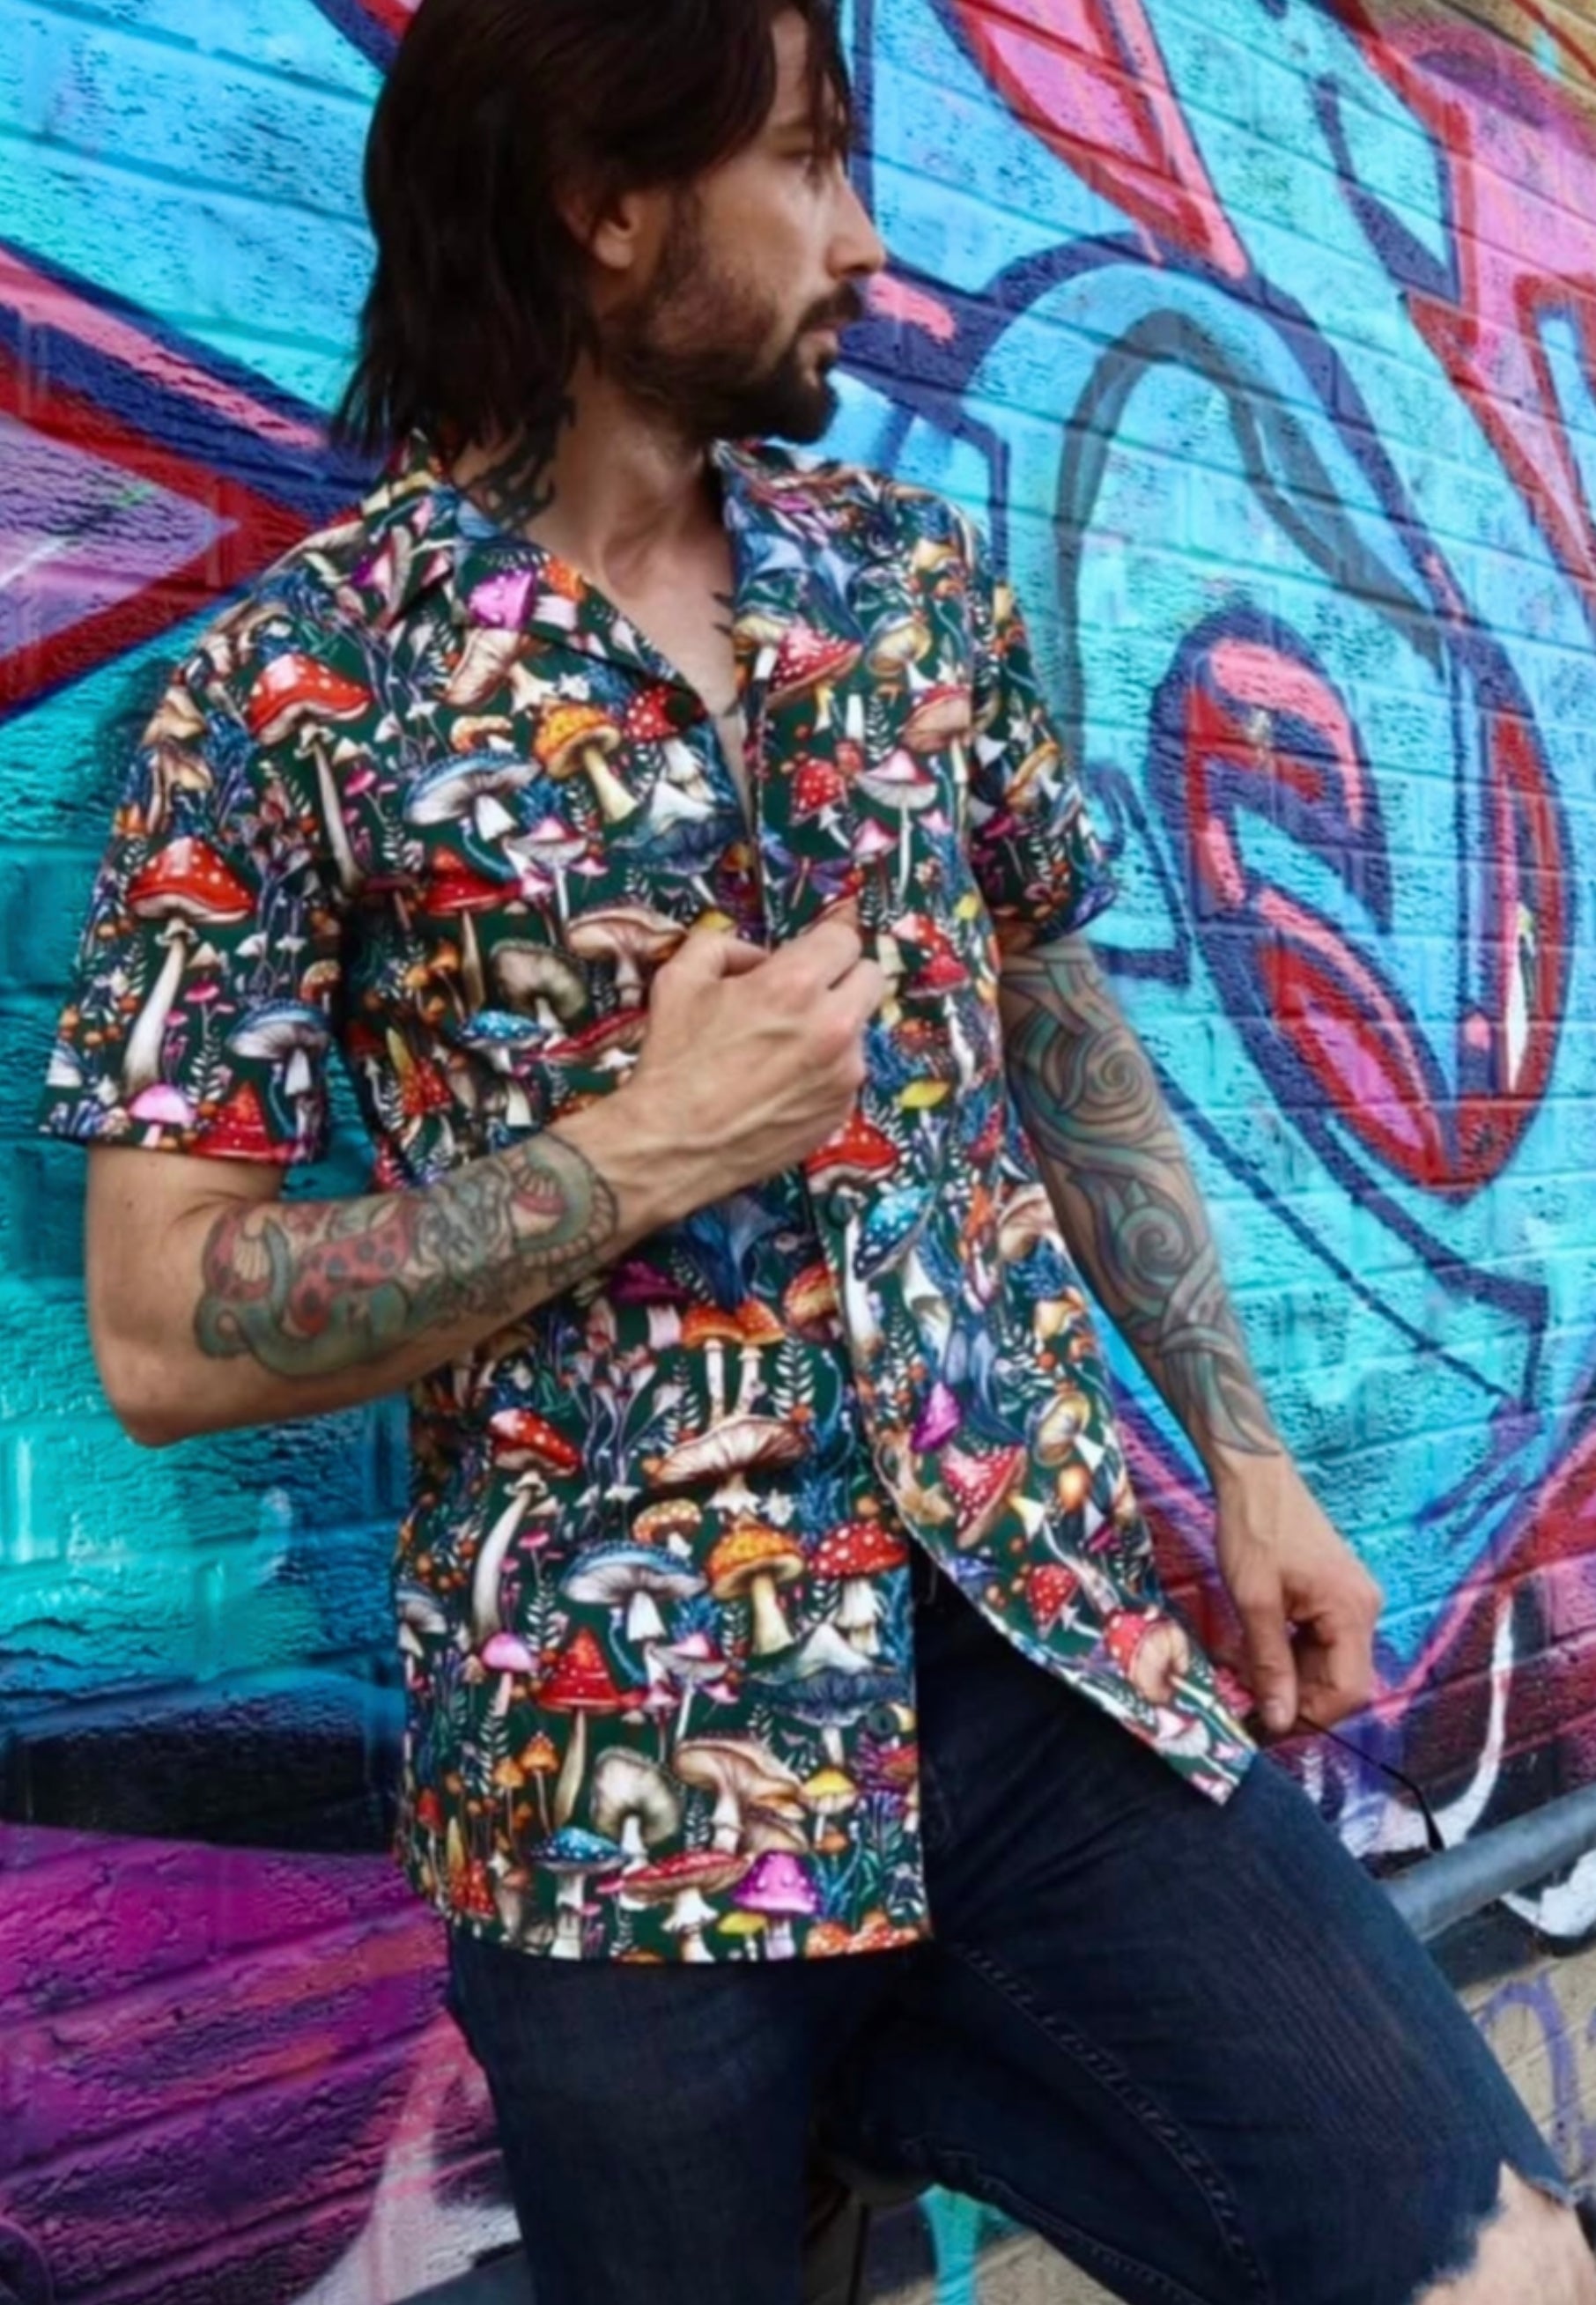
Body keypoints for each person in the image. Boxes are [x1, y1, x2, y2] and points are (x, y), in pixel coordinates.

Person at [41, 3, 1596, 2300]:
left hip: (1035, 1668)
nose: (866, 239)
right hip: (617, 1788)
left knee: (1491, 2263)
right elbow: (165, 1324)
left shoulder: (899, 580)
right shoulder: (291, 701)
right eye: (806, 167)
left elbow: (1059, 1020)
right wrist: (641, 1145)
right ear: (606, 211)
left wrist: (1249, 1461)